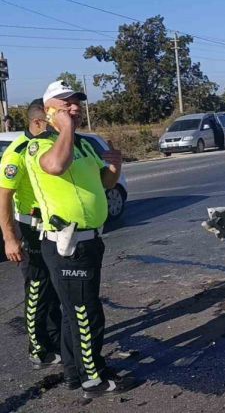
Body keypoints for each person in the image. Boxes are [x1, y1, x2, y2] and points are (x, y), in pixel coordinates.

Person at [25, 81, 134, 398]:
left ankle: (74, 375)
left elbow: (105, 183)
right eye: (66, 104)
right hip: (66, 243)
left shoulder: (85, 145)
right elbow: (56, 166)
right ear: (49, 110)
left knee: (75, 314)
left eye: (77, 103)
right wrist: (64, 129)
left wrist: (115, 165)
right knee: (86, 313)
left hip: (89, 241)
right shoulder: (40, 145)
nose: (75, 108)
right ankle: (93, 377)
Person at [0, 99, 62, 369]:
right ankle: (37, 349)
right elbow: (4, 197)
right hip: (30, 227)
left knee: (53, 287)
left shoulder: (48, 146)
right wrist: (10, 237)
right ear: (38, 122)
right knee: (37, 288)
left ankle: (56, 339)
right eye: (51, 120)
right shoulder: (17, 152)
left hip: (50, 227)